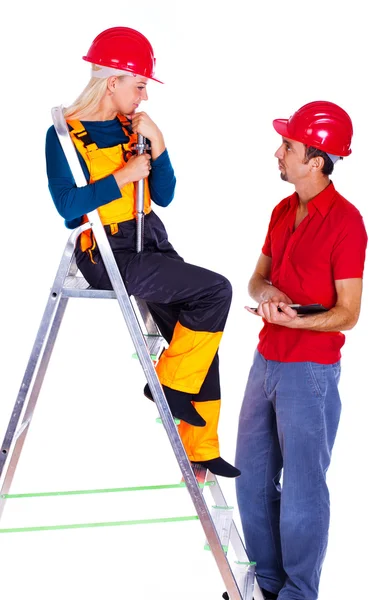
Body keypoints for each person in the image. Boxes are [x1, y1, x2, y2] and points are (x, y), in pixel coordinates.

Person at [45, 26, 240, 478]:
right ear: (112, 82)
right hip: (107, 253)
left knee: (200, 339)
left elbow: (166, 194)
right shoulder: (63, 135)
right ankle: (167, 385)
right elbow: (68, 210)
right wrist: (124, 175)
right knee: (216, 291)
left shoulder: (134, 129)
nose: (144, 96)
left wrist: (161, 144)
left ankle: (201, 447)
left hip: (150, 241)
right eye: (139, 85)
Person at [233, 101, 368, 598]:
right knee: (250, 477)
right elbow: (256, 279)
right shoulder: (282, 210)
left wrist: (301, 320)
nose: (278, 152)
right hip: (266, 360)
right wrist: (269, 297)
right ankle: (267, 583)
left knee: (303, 492)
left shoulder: (347, 223)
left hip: (309, 373)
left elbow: (349, 312)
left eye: (287, 147)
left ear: (316, 160)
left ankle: (298, 591)